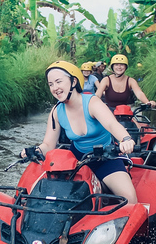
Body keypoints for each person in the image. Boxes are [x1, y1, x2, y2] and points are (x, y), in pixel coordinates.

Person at [21, 61, 138, 204]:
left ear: (73, 81)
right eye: (51, 84)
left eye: (58, 82)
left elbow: (112, 124)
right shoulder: (56, 112)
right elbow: (48, 144)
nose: (55, 88)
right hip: (75, 161)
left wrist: (125, 139)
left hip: (105, 158)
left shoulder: (92, 103)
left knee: (130, 199)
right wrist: (35, 150)